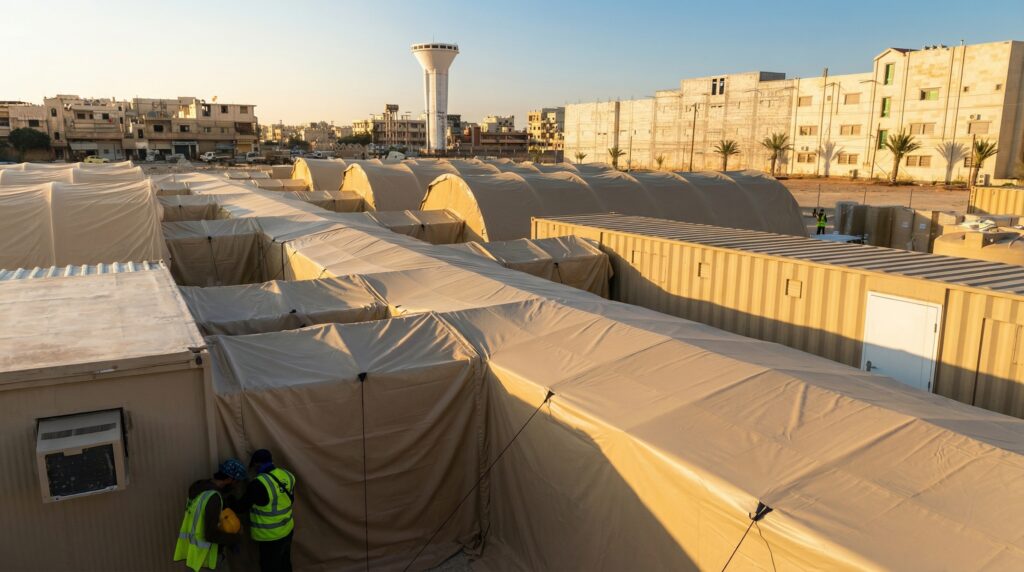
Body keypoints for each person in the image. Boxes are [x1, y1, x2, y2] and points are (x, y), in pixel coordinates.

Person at [174, 459, 247, 571]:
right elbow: (211, 534)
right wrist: (236, 537)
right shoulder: (213, 498)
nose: (236, 486)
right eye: (236, 482)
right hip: (208, 556)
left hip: (196, 554)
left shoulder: (199, 490)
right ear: (229, 479)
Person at [232, 449, 297, 572]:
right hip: (287, 529)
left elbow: (240, 507)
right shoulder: (288, 475)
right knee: (285, 564)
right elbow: (289, 499)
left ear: (257, 464)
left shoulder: (258, 484)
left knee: (269, 567)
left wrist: (230, 498)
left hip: (270, 537)